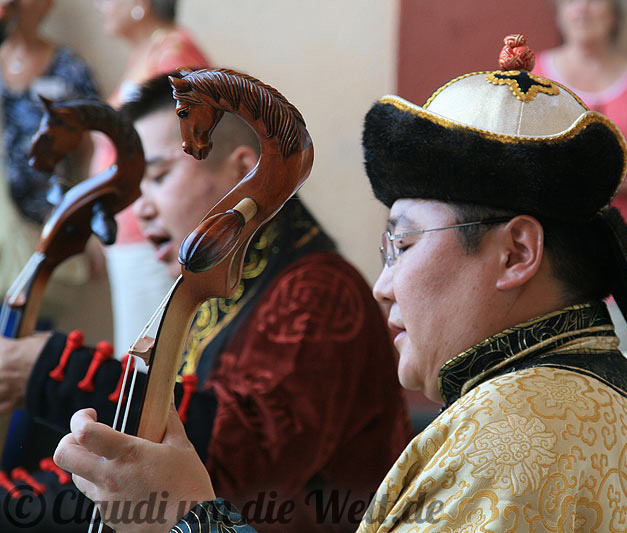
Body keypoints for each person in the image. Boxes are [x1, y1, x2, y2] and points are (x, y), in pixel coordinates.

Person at [53, 39, 627, 532]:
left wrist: (186, 516)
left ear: (516, 251)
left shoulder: (513, 439)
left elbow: (256, 448)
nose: (381, 287)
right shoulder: (562, 394)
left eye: (400, 244)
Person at [0, 74, 410, 532]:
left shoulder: (321, 291)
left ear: (243, 170)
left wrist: (54, 369)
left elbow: (237, 459)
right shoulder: (220, 292)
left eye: (159, 177)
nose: (141, 209)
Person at [532, 0, 627, 348]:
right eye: (572, 1)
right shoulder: (535, 75)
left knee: (623, 369)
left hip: (617, 258)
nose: (583, 9)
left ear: (615, 15)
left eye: (595, 1)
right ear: (559, 12)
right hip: (545, 256)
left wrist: (616, 184)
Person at [91, 0, 210, 358]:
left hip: (153, 233)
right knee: (135, 348)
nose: (101, 7)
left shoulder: (175, 55)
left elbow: (180, 153)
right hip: (129, 231)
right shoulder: (148, 52)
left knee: (148, 359)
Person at [0, 0, 99, 294]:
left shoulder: (69, 69)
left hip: (43, 229)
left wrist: (90, 222)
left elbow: (94, 152)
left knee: (28, 326)